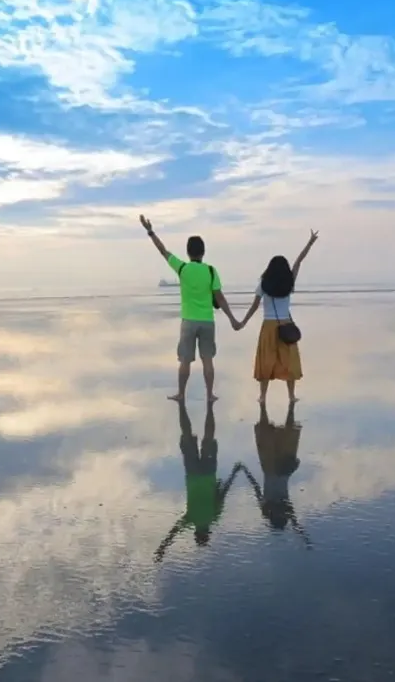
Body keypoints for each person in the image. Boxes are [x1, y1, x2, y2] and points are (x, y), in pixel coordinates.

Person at [139, 214, 240, 402]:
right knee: (208, 360)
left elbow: (163, 251)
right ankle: (210, 395)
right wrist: (233, 319)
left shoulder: (182, 268)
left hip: (188, 321)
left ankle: (181, 394)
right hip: (208, 321)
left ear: (188, 252)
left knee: (185, 360)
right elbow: (220, 297)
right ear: (203, 252)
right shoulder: (211, 271)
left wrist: (150, 231)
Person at [154, 400, 242, 562]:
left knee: (209, 437)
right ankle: (183, 406)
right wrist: (162, 548)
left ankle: (209, 407)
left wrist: (234, 473)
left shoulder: (213, 517)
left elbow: (222, 493)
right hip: (193, 473)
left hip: (208, 473)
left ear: (207, 531)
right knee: (187, 436)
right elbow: (173, 532)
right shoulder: (191, 519)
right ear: (195, 531)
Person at [237, 230, 319, 403]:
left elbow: (254, 306)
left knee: (266, 361)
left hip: (268, 326)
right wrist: (310, 243)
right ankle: (291, 396)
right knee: (289, 361)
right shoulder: (289, 282)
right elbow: (299, 261)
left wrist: (243, 322)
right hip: (286, 325)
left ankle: (263, 396)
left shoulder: (263, 284)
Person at [239, 400, 312, 548]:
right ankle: (282, 410)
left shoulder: (270, 504)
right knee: (283, 435)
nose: (281, 515)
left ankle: (273, 411)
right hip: (280, 469)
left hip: (275, 468)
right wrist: (304, 538)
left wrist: (246, 471)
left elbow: (256, 488)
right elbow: (295, 523)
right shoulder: (283, 506)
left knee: (273, 435)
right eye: (282, 516)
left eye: (279, 516)